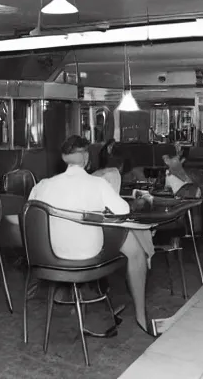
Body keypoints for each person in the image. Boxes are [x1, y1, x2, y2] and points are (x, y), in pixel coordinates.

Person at [28, 135, 156, 336]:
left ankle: (86, 300)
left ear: (63, 158)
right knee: (132, 246)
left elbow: (31, 216)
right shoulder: (97, 184)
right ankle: (141, 317)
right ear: (87, 157)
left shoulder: (42, 185)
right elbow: (123, 211)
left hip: (46, 257)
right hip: (87, 258)